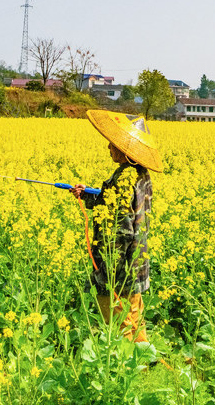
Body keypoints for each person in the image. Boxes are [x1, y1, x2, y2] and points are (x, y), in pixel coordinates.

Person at [70, 110, 162, 343]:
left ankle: (126, 368)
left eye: (113, 144)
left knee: (118, 322)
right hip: (137, 260)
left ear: (126, 152)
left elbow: (121, 227)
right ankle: (143, 364)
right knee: (135, 318)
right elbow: (115, 206)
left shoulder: (123, 180)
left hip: (119, 264)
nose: (109, 147)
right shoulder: (141, 175)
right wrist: (87, 196)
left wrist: (108, 268)